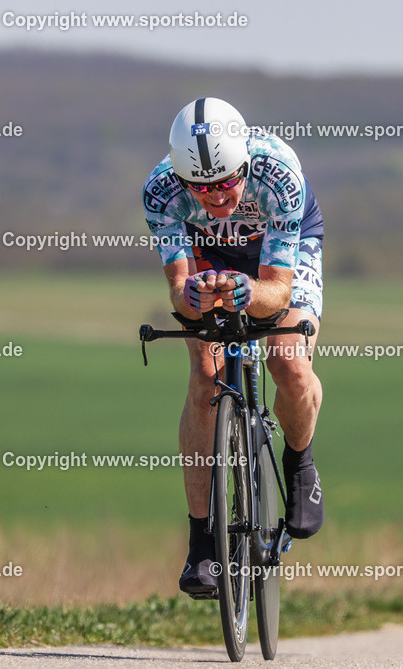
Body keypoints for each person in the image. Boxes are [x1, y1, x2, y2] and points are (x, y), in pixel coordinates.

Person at [143, 97, 326, 598]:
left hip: (279, 250)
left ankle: (299, 462)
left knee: (288, 362)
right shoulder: (162, 192)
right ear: (181, 178)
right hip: (209, 251)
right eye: (201, 187)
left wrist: (249, 292)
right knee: (206, 376)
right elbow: (178, 288)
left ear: (244, 163)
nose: (216, 197)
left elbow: (278, 291)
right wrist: (195, 296)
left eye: (226, 182)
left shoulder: (278, 175)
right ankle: (202, 539)